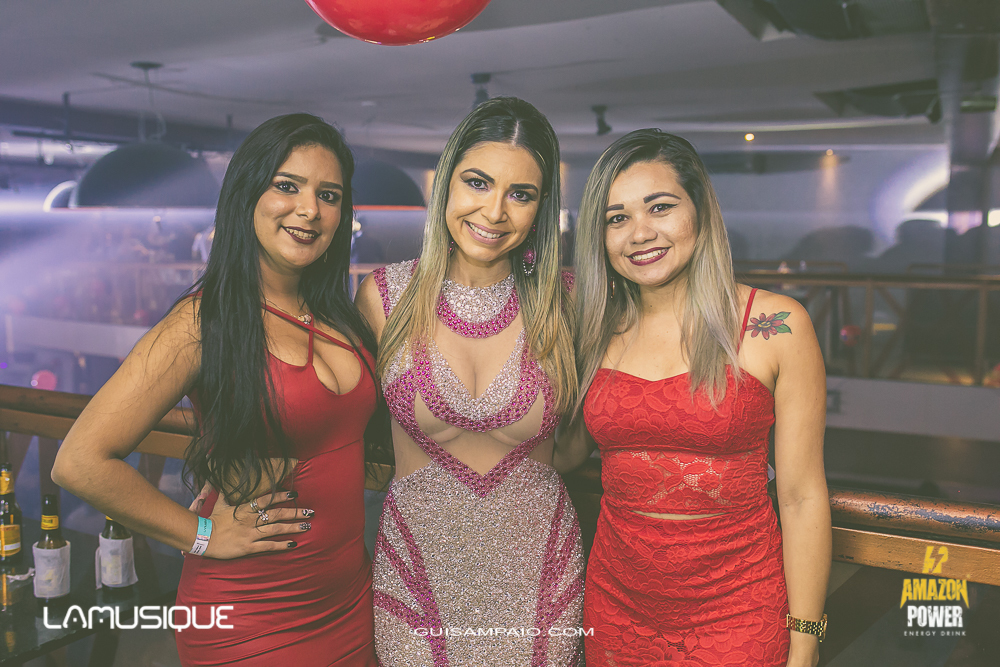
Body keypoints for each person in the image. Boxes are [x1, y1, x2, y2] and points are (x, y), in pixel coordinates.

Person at [52, 113, 387, 666]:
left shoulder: (339, 316)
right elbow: (80, 462)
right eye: (287, 186)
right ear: (246, 196)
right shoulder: (202, 322)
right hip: (250, 614)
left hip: (349, 598)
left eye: (328, 195)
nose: (309, 209)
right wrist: (203, 534)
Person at [556, 129, 831, 666]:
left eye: (660, 207)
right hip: (615, 607)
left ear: (700, 210)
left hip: (738, 612)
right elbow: (564, 453)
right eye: (616, 218)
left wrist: (805, 638)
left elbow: (801, 496)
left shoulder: (776, 325)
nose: (640, 233)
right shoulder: (593, 328)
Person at [355, 97, 584, 665]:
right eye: (477, 182)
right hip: (417, 572)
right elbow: (332, 421)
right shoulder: (384, 297)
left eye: (521, 194)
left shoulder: (569, 302)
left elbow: (590, 435)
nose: (494, 211)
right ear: (445, 184)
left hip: (537, 578)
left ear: (542, 207)